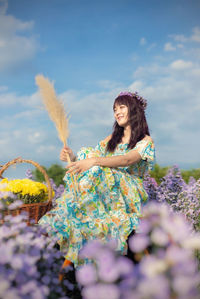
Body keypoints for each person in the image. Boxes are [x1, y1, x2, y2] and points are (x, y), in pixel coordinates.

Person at [38, 91, 155, 267]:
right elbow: (91, 161)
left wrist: (94, 161)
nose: (117, 112)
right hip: (106, 187)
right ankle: (80, 213)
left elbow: (127, 160)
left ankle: (78, 210)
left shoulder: (145, 140)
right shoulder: (112, 139)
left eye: (121, 107)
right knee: (86, 152)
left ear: (134, 109)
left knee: (95, 162)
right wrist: (73, 157)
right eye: (115, 109)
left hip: (128, 190)